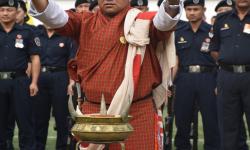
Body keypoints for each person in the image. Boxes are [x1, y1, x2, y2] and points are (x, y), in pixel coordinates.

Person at [29, 0, 182, 149]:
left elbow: (166, 21)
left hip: (137, 113)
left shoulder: (144, 22)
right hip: (91, 114)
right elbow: (51, 14)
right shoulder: (83, 21)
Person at [173, 0, 220, 150]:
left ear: (203, 10)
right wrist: (170, 83)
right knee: (182, 119)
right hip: (184, 79)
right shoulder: (178, 32)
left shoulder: (213, 31)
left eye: (196, 9)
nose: (192, 12)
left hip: (208, 79)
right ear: (185, 10)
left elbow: (220, 59)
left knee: (211, 121)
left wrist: (219, 83)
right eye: (189, 9)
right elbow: (175, 60)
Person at [209, 0, 250, 149]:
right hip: (227, 78)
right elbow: (213, 47)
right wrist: (228, 62)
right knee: (228, 128)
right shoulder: (221, 19)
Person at [0, 0, 41, 149]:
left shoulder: (27, 32)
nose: (5, 13)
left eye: (9, 10)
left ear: (16, 12)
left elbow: (35, 58)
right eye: (2, 10)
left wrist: (34, 82)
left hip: (20, 82)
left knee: (25, 123)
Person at [32, 25, 77, 150]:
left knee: (61, 117)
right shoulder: (36, 35)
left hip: (60, 77)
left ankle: (62, 147)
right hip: (40, 76)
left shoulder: (66, 36)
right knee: (39, 117)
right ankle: (38, 146)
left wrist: (71, 82)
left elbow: (71, 61)